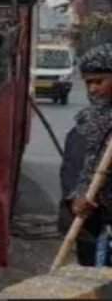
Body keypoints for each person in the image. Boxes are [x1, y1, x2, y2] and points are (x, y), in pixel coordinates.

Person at [61, 42, 112, 266]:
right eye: (88, 83)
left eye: (99, 82)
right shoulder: (84, 123)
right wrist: (75, 197)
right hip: (91, 224)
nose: (92, 89)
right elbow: (71, 165)